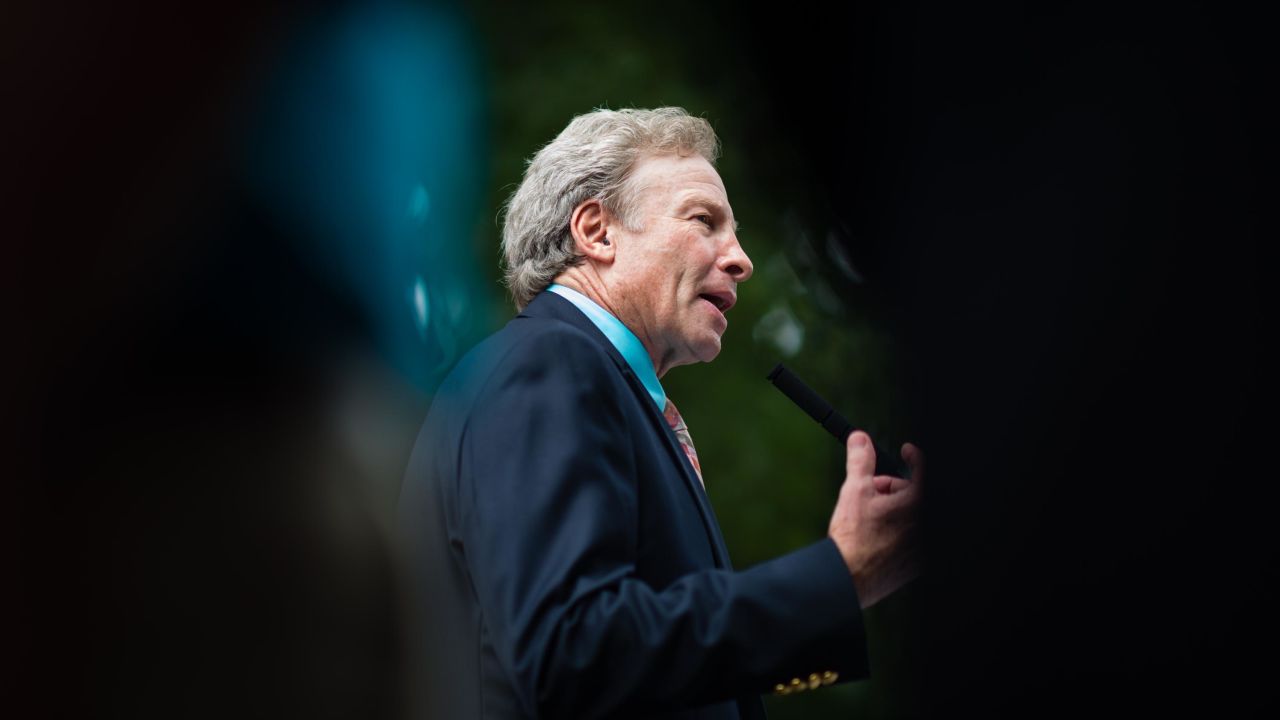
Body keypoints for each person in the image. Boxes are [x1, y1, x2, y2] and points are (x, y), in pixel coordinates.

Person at [398, 107, 922, 719]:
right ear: (597, 232)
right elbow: (572, 654)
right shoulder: (551, 363)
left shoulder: (589, 383)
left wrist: (848, 587)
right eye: (705, 221)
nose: (741, 259)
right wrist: (839, 577)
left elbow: (645, 667)